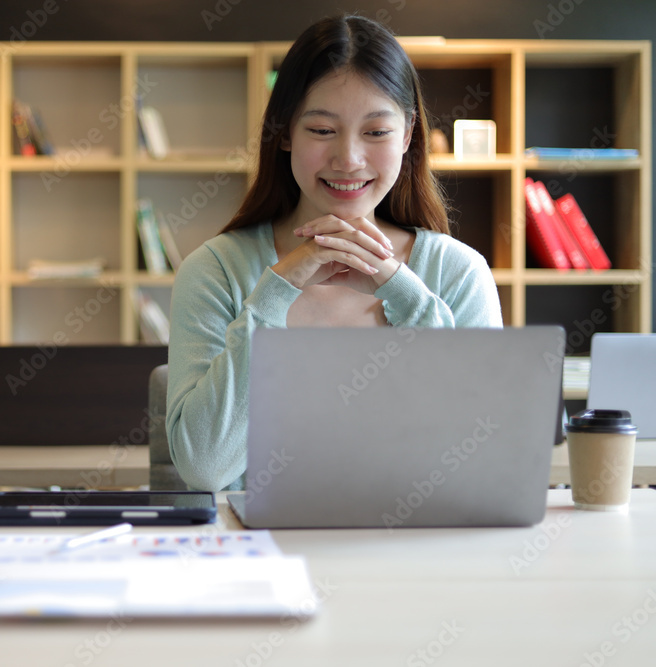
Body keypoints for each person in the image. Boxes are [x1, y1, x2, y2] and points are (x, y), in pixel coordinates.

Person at [166, 15, 504, 492]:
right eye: (322, 130)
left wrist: (402, 291)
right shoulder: (216, 271)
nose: (348, 159)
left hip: (418, 551)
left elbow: (483, 462)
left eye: (377, 132)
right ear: (284, 133)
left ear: (407, 136)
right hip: (266, 555)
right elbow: (205, 468)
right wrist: (275, 293)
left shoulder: (457, 272)